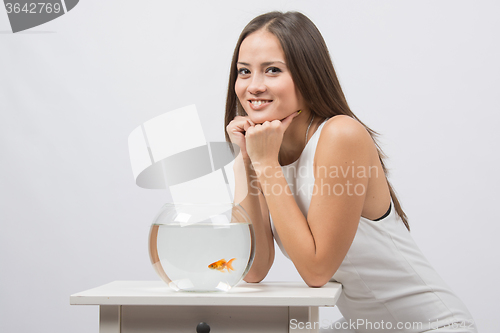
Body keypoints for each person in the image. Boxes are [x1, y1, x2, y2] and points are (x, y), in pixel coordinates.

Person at [225, 11, 476, 333]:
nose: (254, 86)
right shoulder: (265, 150)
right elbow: (252, 268)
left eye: (273, 70)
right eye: (244, 72)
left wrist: (265, 165)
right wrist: (245, 159)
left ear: (308, 74)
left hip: (430, 327)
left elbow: (316, 271)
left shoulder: (341, 135)